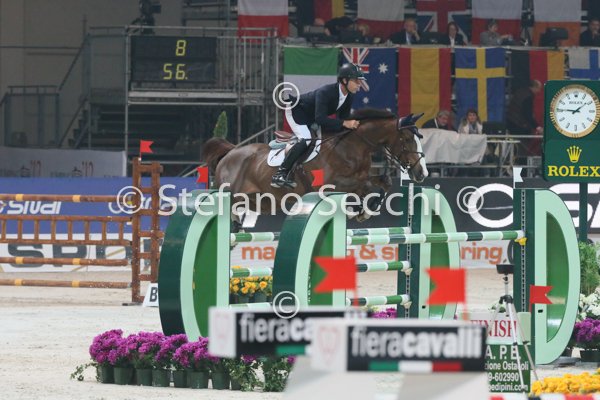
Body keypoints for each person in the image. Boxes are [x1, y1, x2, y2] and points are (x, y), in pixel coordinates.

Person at [271, 63, 365, 188]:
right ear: (344, 80)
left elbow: (342, 121)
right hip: (297, 111)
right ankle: (280, 174)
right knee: (305, 139)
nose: (359, 84)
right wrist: (344, 123)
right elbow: (321, 119)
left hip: (312, 117)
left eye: (360, 81)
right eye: (356, 81)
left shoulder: (349, 97)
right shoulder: (326, 92)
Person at [506, 80, 544, 156]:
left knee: (515, 150)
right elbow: (527, 115)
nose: (539, 91)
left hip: (511, 124)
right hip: (520, 127)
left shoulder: (520, 92)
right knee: (521, 151)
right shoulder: (528, 97)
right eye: (539, 89)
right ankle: (521, 163)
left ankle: (516, 162)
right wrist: (537, 127)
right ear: (534, 87)